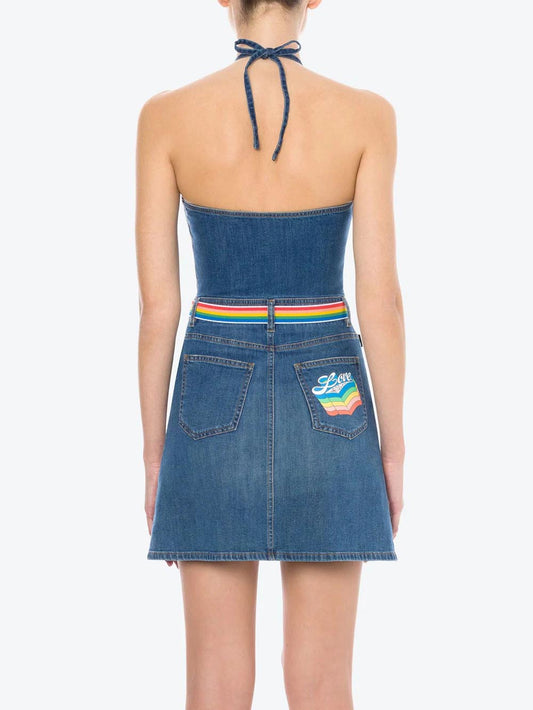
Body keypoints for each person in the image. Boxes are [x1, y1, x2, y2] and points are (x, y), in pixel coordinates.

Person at [135, 0, 405, 706]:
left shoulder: (165, 116)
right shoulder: (367, 115)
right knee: (322, 688)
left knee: (214, 686)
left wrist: (156, 457)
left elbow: (158, 311)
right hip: (331, 389)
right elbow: (380, 302)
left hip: (208, 392)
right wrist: (392, 452)